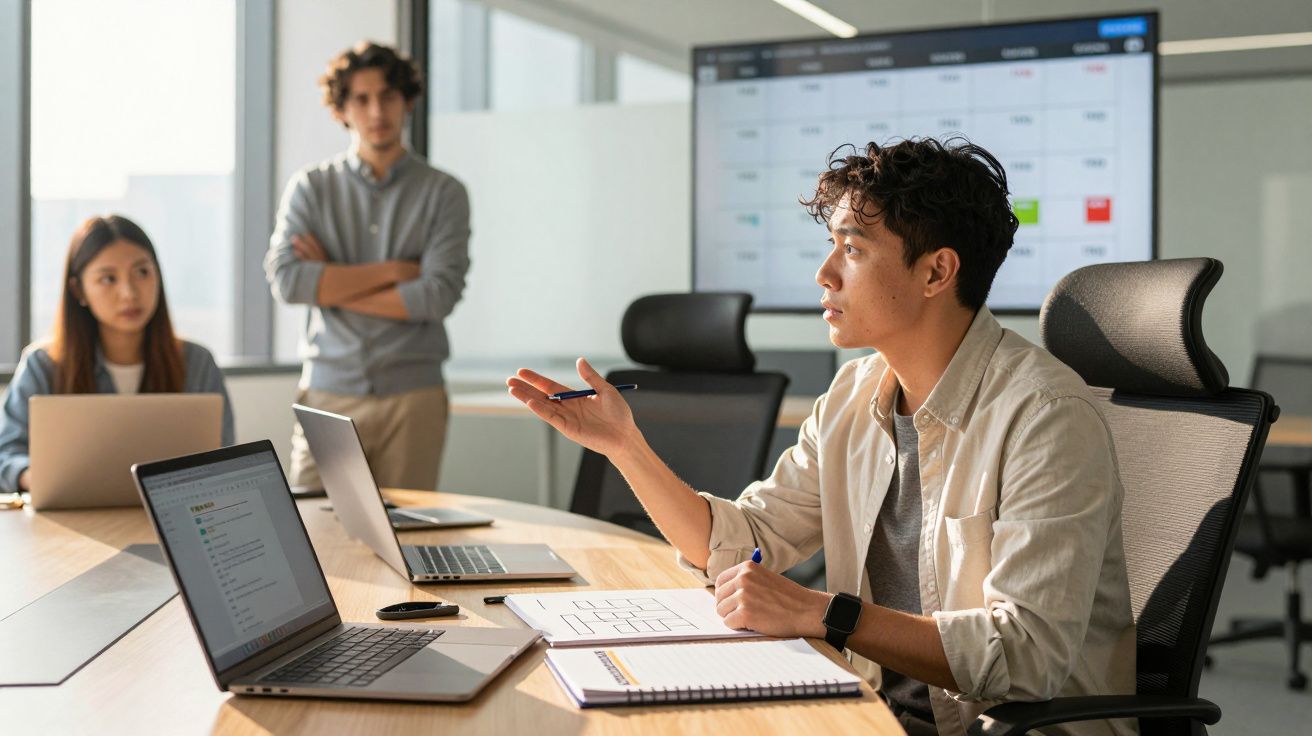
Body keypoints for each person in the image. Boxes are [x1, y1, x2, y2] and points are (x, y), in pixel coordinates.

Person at [508, 138, 1136, 736]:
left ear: (937, 271)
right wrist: (626, 446)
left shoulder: (1045, 416)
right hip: (870, 711)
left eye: (853, 249)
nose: (824, 273)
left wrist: (825, 613)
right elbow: (748, 541)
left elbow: (1025, 658)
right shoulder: (852, 395)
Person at [265, 41, 469, 492]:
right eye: (361, 98)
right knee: (313, 535)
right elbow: (288, 280)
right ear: (341, 108)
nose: (377, 110)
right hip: (328, 392)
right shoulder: (310, 188)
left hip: (413, 398)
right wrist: (395, 272)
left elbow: (436, 296)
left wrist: (332, 280)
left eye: (389, 96)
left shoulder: (444, 192)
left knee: (405, 543)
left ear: (407, 101)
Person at [0, 215, 235, 493]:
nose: (129, 293)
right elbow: (6, 454)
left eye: (142, 272)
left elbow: (225, 458)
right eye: (108, 279)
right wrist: (38, 478)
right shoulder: (44, 364)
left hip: (175, 517)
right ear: (79, 290)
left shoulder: (197, 362)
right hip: (72, 522)